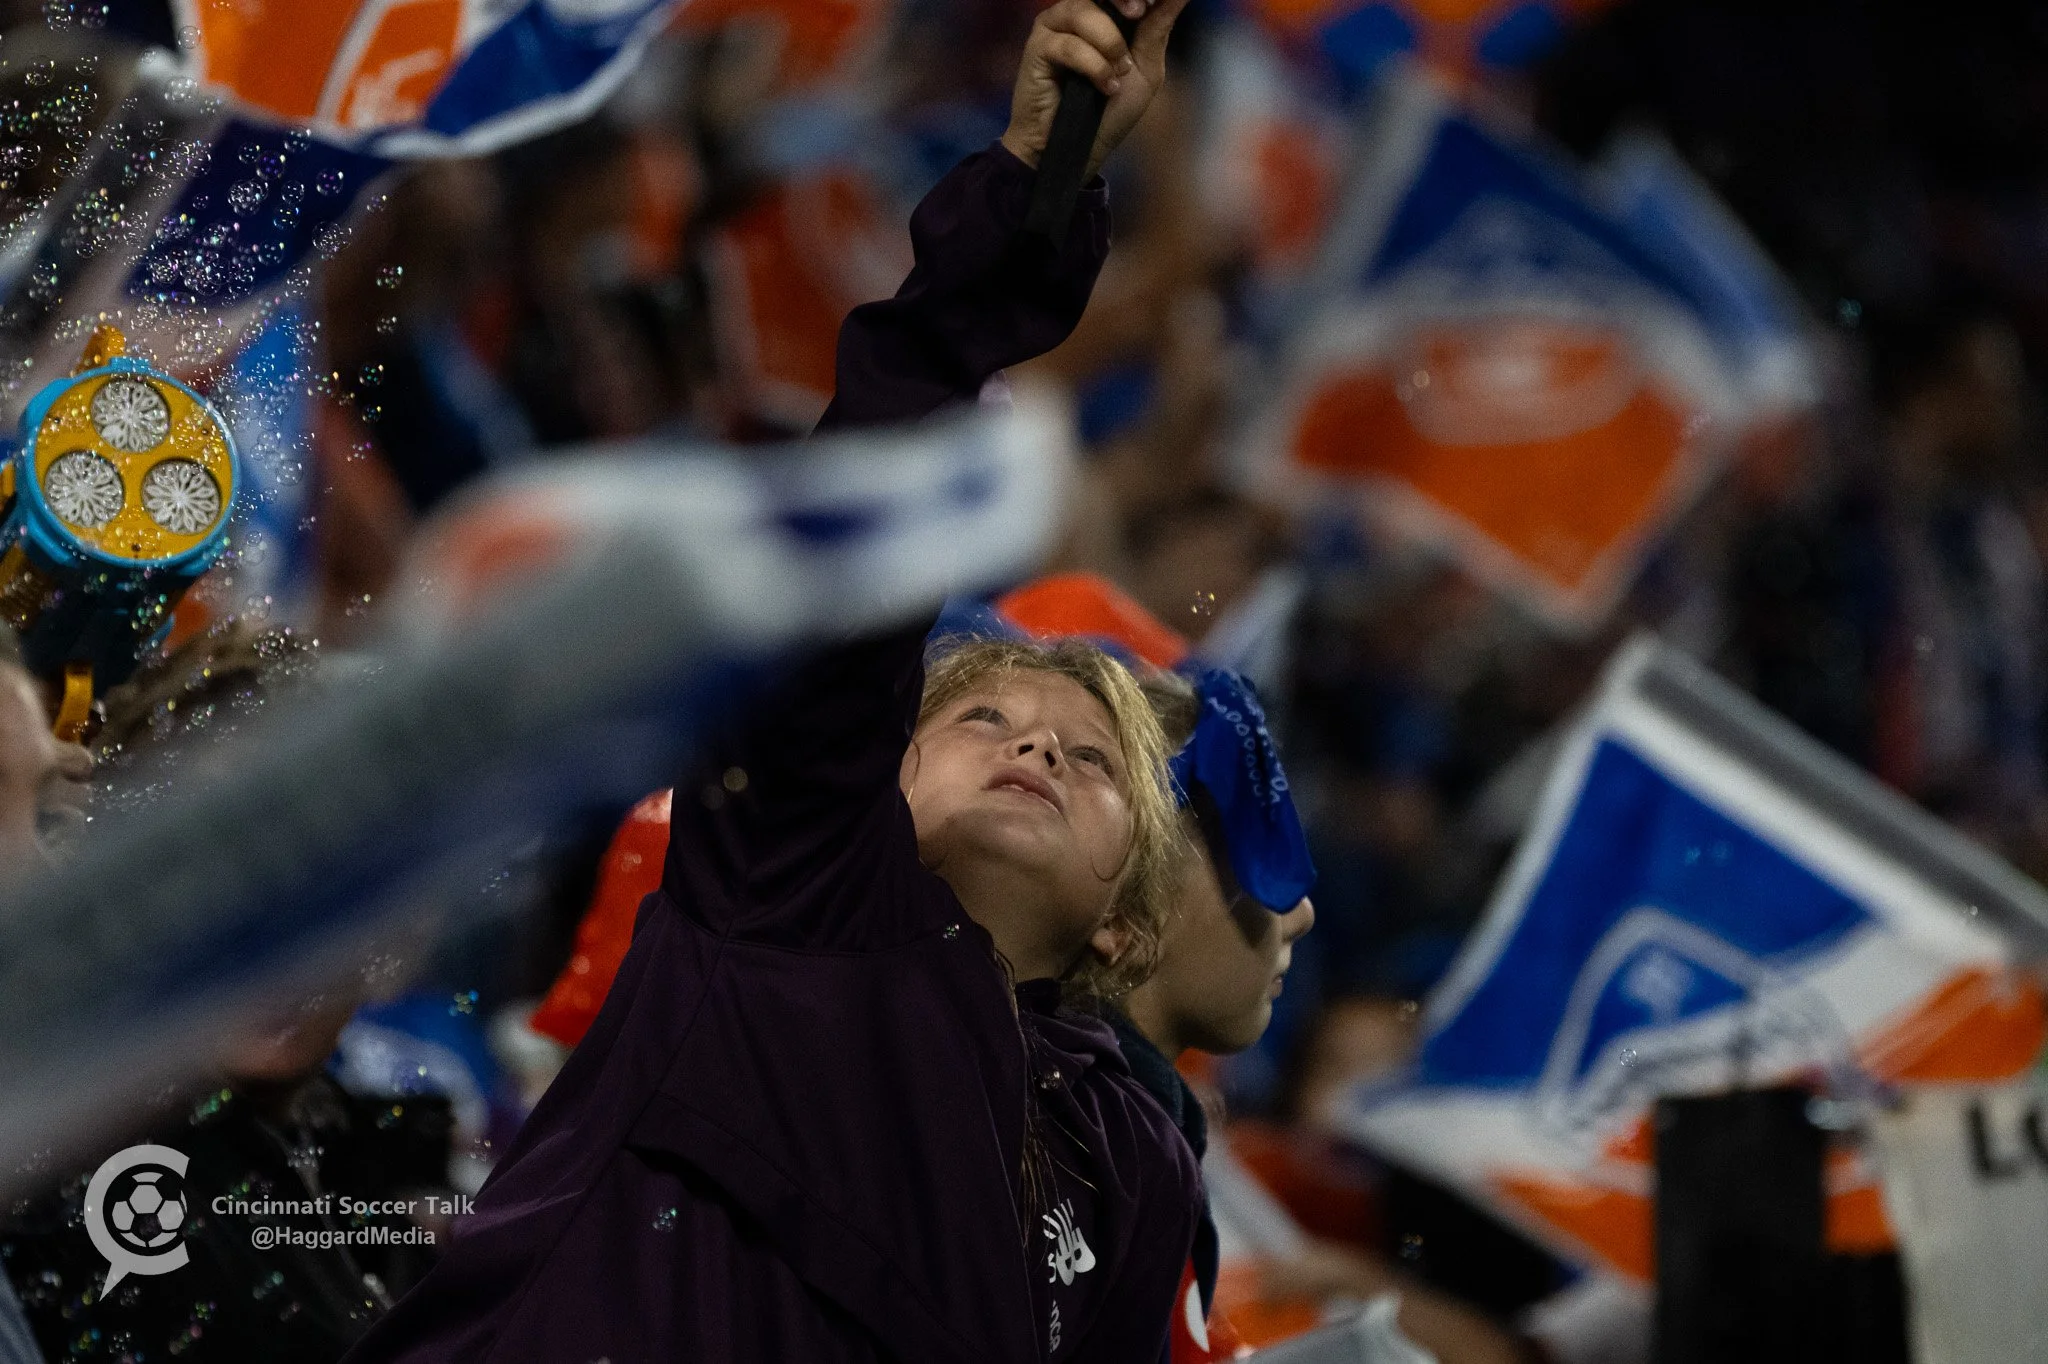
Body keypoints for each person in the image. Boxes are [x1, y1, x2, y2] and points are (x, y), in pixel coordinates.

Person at [343, 2, 1205, 1360]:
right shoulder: (799, 884)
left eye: (1089, 761)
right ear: (885, 775)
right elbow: (861, 527)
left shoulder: (1139, 1160)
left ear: (1124, 925)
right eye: (981, 717)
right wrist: (1033, 194)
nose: (1036, 750)